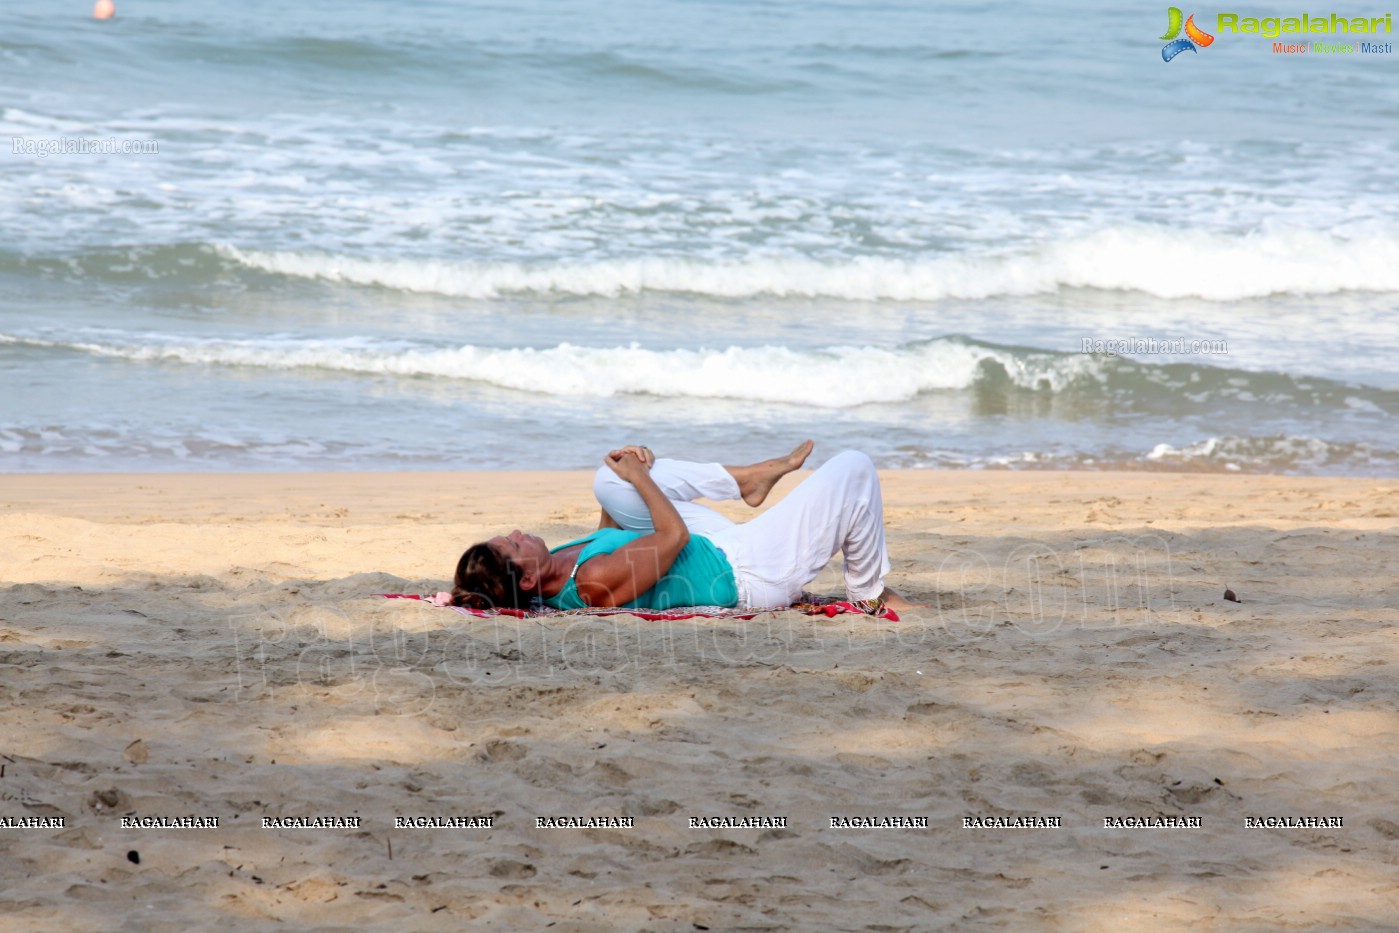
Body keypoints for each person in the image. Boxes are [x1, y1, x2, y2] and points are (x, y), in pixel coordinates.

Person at [450, 442, 914, 613]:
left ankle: (746, 480)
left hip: (716, 544)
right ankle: (867, 591)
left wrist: (627, 469)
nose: (516, 531)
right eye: (512, 543)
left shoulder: (561, 559)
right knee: (853, 466)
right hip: (747, 571)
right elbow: (673, 538)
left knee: (606, 477)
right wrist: (641, 477)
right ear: (527, 578)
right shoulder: (591, 584)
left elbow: (612, 533)